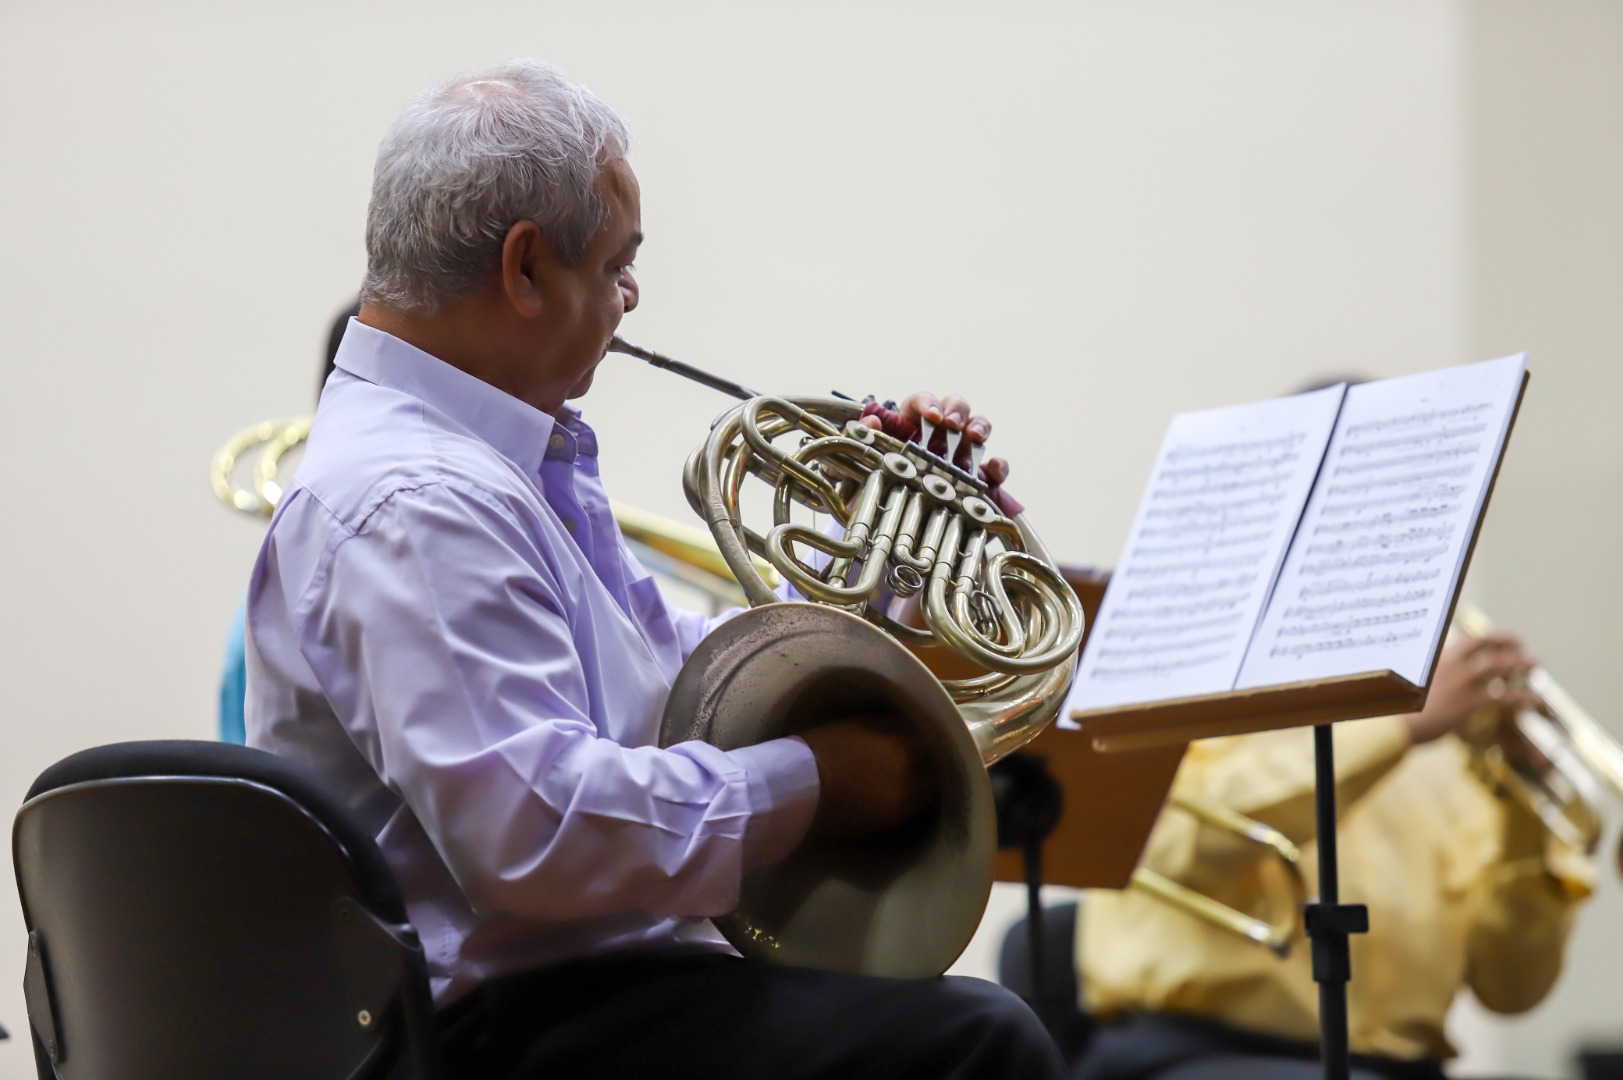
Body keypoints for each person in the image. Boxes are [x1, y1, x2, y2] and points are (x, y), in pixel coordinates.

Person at [244, 59, 1065, 1080]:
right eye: (618, 264)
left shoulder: (500, 463)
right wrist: (822, 779)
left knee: (954, 1020)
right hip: (505, 1033)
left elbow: (702, 691)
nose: (632, 296)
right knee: (981, 1042)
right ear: (527, 268)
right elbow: (536, 834)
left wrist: (899, 568)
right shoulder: (416, 498)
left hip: (598, 997)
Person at [1070, 628, 1596, 1080]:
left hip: (1394, 1067)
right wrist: (1400, 728)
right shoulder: (1196, 673)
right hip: (1187, 1055)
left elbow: (1511, 990)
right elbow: (1162, 841)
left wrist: (1524, 806)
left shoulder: (1462, 748)